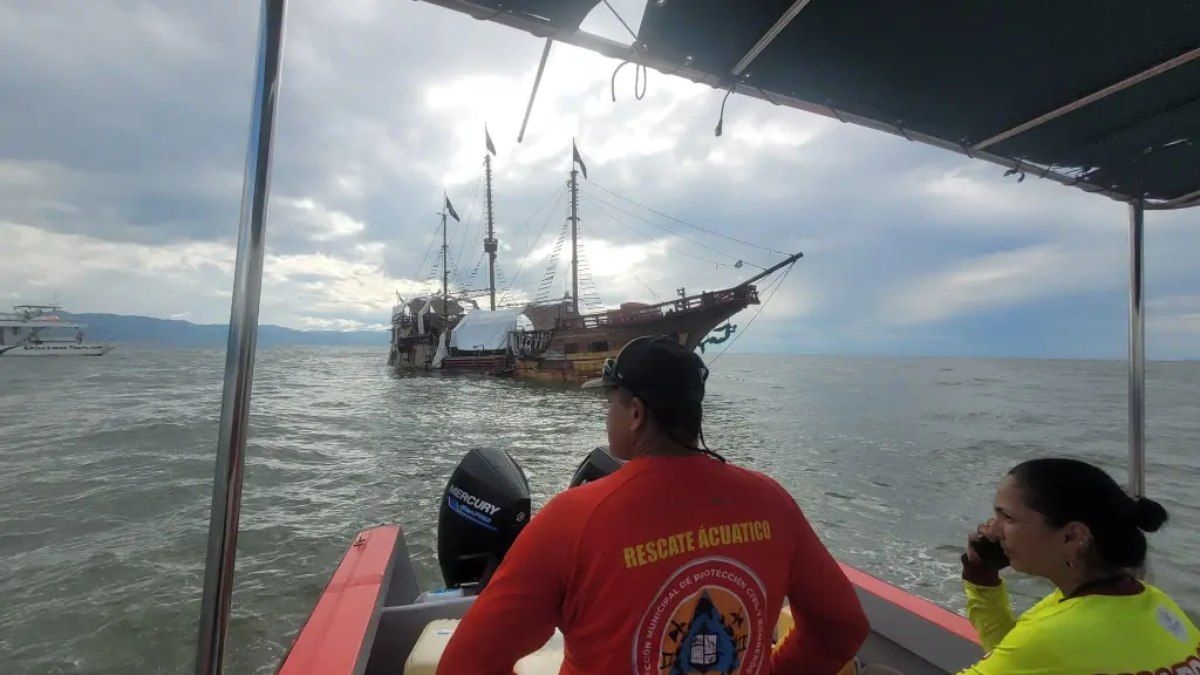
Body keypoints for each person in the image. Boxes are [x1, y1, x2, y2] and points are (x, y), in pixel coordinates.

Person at [438, 335, 869, 674]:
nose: (607, 414)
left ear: (636, 413)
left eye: (610, 402)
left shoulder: (572, 520)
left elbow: (463, 667)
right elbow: (843, 627)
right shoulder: (773, 504)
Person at [958, 457, 1199, 673]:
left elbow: (1025, 654)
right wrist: (982, 577)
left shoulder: (1051, 634)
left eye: (1007, 517)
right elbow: (1014, 656)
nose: (993, 530)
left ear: (1071, 537)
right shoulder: (1157, 603)